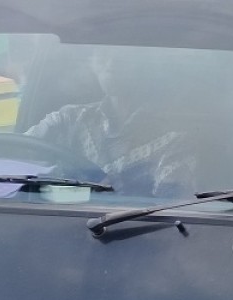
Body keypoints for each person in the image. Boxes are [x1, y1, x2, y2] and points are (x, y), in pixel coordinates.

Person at [26, 47, 196, 197]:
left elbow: (168, 210)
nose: (111, 62)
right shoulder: (68, 118)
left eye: (122, 55)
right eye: (103, 53)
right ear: (92, 63)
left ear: (144, 67)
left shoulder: (173, 137)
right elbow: (16, 151)